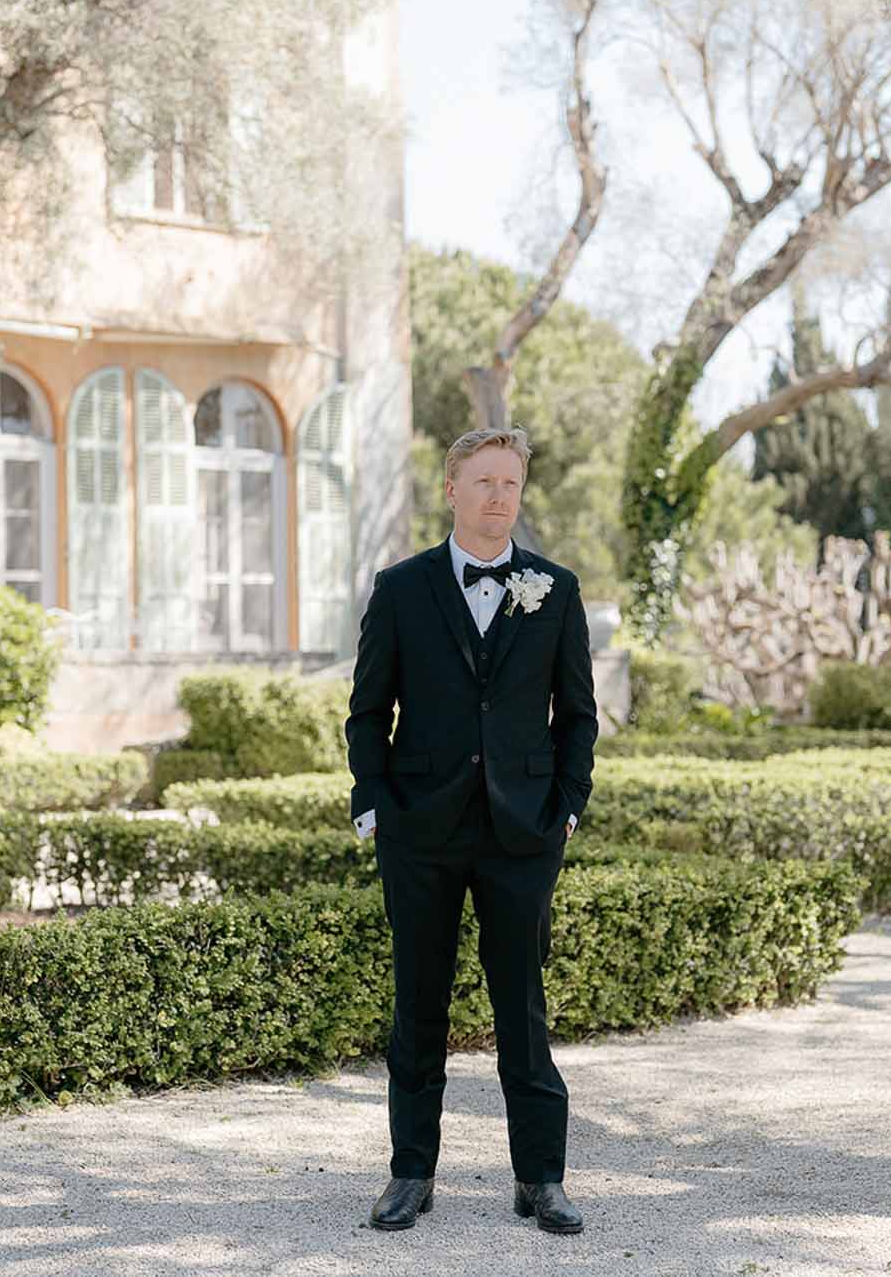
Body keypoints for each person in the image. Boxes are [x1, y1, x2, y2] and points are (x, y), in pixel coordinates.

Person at [345, 426, 598, 1235]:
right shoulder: (400, 588)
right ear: (451, 488)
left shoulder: (554, 590)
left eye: (511, 485)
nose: (498, 497)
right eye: (484, 481)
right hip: (419, 832)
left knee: (522, 1008)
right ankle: (410, 1173)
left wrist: (565, 805)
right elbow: (365, 712)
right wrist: (375, 801)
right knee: (417, 1005)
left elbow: (579, 717)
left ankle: (542, 1179)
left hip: (523, 834)